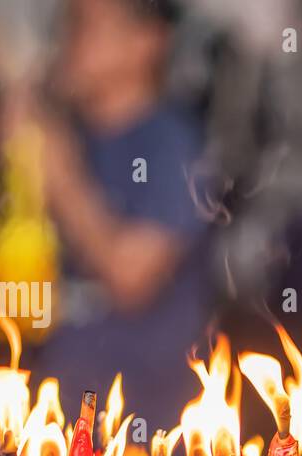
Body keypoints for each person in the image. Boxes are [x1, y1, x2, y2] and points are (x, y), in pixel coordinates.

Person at [26, 0, 214, 431]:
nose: (69, 43)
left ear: (147, 42)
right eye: (68, 25)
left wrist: (60, 178)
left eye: (87, 26)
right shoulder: (68, 134)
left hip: (147, 420)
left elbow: (131, 275)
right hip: (65, 409)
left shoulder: (172, 145)